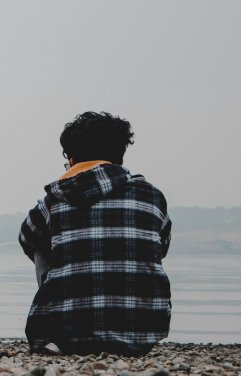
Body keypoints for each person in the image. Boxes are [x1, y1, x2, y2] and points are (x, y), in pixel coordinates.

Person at [19, 111, 172, 356]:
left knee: (41, 242)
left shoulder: (54, 199)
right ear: (119, 156)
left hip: (68, 335)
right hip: (143, 334)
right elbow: (162, 246)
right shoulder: (152, 196)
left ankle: (59, 318)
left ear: (72, 160)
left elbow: (26, 238)